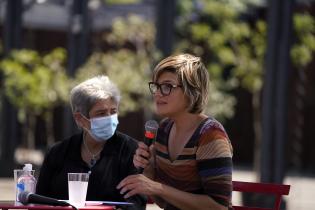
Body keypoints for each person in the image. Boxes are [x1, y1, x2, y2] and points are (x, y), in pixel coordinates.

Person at [117, 54, 233, 210]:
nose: (158, 93)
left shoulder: (210, 135)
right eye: (156, 86)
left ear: (192, 90)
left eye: (167, 86)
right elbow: (166, 203)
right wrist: (149, 169)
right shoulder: (164, 129)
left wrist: (156, 187)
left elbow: (219, 207)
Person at [36, 75, 146, 209]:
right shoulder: (58, 153)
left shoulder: (130, 151)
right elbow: (40, 202)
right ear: (80, 118)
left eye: (113, 111)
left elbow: (136, 204)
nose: (109, 118)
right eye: (101, 113)